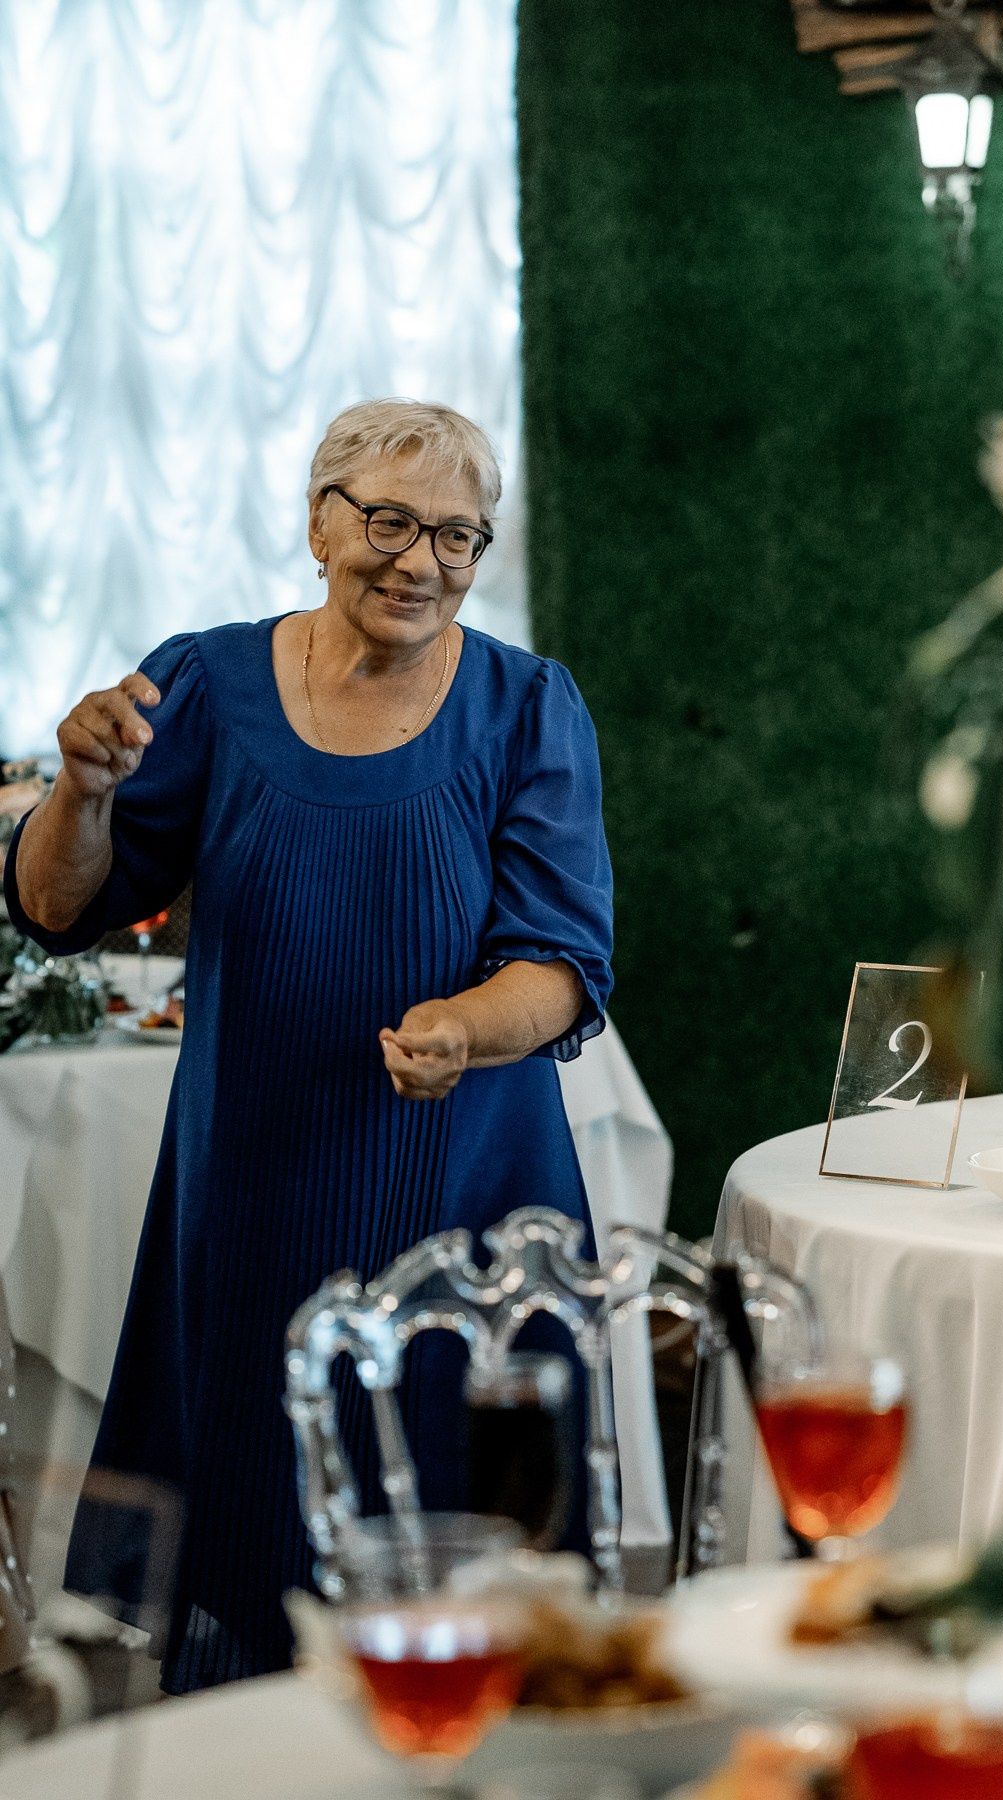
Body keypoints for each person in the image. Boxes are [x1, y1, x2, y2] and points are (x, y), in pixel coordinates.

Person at [4, 400, 613, 1692]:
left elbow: (562, 970)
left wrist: (461, 1026)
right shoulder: (209, 687)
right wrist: (86, 792)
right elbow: (58, 908)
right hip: (258, 1202)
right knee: (248, 1538)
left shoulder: (526, 706)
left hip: (471, 1214)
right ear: (318, 524)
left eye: (458, 534)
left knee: (474, 1564)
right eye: (389, 520)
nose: (421, 560)